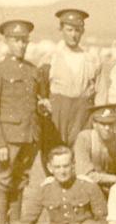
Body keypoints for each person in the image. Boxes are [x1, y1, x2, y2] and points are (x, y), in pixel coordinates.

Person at [0, 19, 44, 224]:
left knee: (21, 181)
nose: (21, 45)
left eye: (24, 41)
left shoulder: (32, 70)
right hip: (8, 139)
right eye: (16, 40)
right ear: (6, 41)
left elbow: (36, 102)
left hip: (29, 136)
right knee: (3, 181)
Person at [38, 9, 102, 159]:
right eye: (69, 30)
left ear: (83, 31)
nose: (73, 35)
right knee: (54, 154)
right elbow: (40, 91)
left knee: (81, 154)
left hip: (83, 115)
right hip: (58, 114)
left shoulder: (92, 59)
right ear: (61, 29)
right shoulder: (50, 58)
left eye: (77, 30)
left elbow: (100, 93)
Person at [73, 104, 116, 195]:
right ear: (94, 124)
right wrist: (113, 178)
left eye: (111, 124)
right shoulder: (85, 138)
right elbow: (83, 174)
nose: (107, 128)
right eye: (103, 124)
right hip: (89, 187)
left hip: (115, 188)